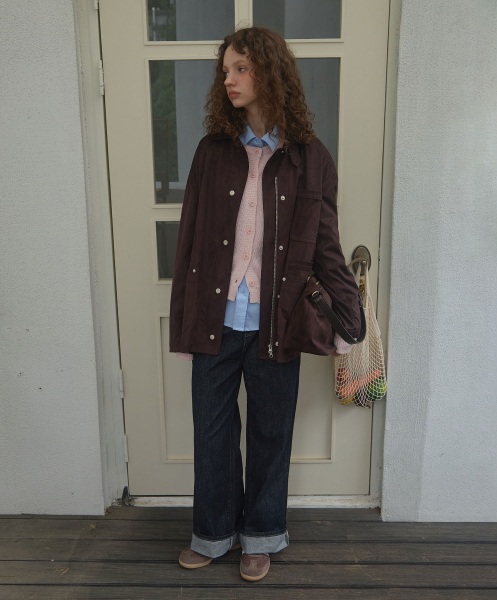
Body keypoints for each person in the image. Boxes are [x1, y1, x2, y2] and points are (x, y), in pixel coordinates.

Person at [169, 26, 361, 582]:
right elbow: (189, 242)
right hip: (215, 319)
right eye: (225, 70)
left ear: (270, 74)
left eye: (241, 69)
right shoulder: (212, 152)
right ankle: (212, 533)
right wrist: (183, 323)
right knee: (212, 434)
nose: (229, 79)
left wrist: (350, 318)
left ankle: (261, 535)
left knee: (271, 434)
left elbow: (326, 245)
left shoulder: (310, 158)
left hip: (279, 322)